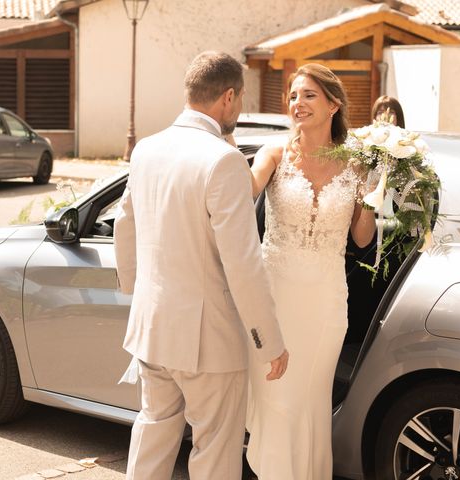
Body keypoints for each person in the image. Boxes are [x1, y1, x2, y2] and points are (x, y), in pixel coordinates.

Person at [114, 51, 289, 480]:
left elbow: (124, 227)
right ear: (228, 97)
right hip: (208, 342)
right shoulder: (223, 160)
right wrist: (268, 342)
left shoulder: (146, 149)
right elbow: (243, 264)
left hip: (153, 330)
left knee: (153, 434)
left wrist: (136, 293)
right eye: (241, 99)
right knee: (215, 450)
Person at [245, 63, 376, 479]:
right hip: (275, 301)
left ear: (333, 104)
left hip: (326, 305)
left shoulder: (356, 166)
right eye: (293, 96)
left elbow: (361, 239)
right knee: (276, 402)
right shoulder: (274, 155)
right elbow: (241, 192)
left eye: (308, 95)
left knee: (309, 403)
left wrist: (375, 193)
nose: (296, 103)